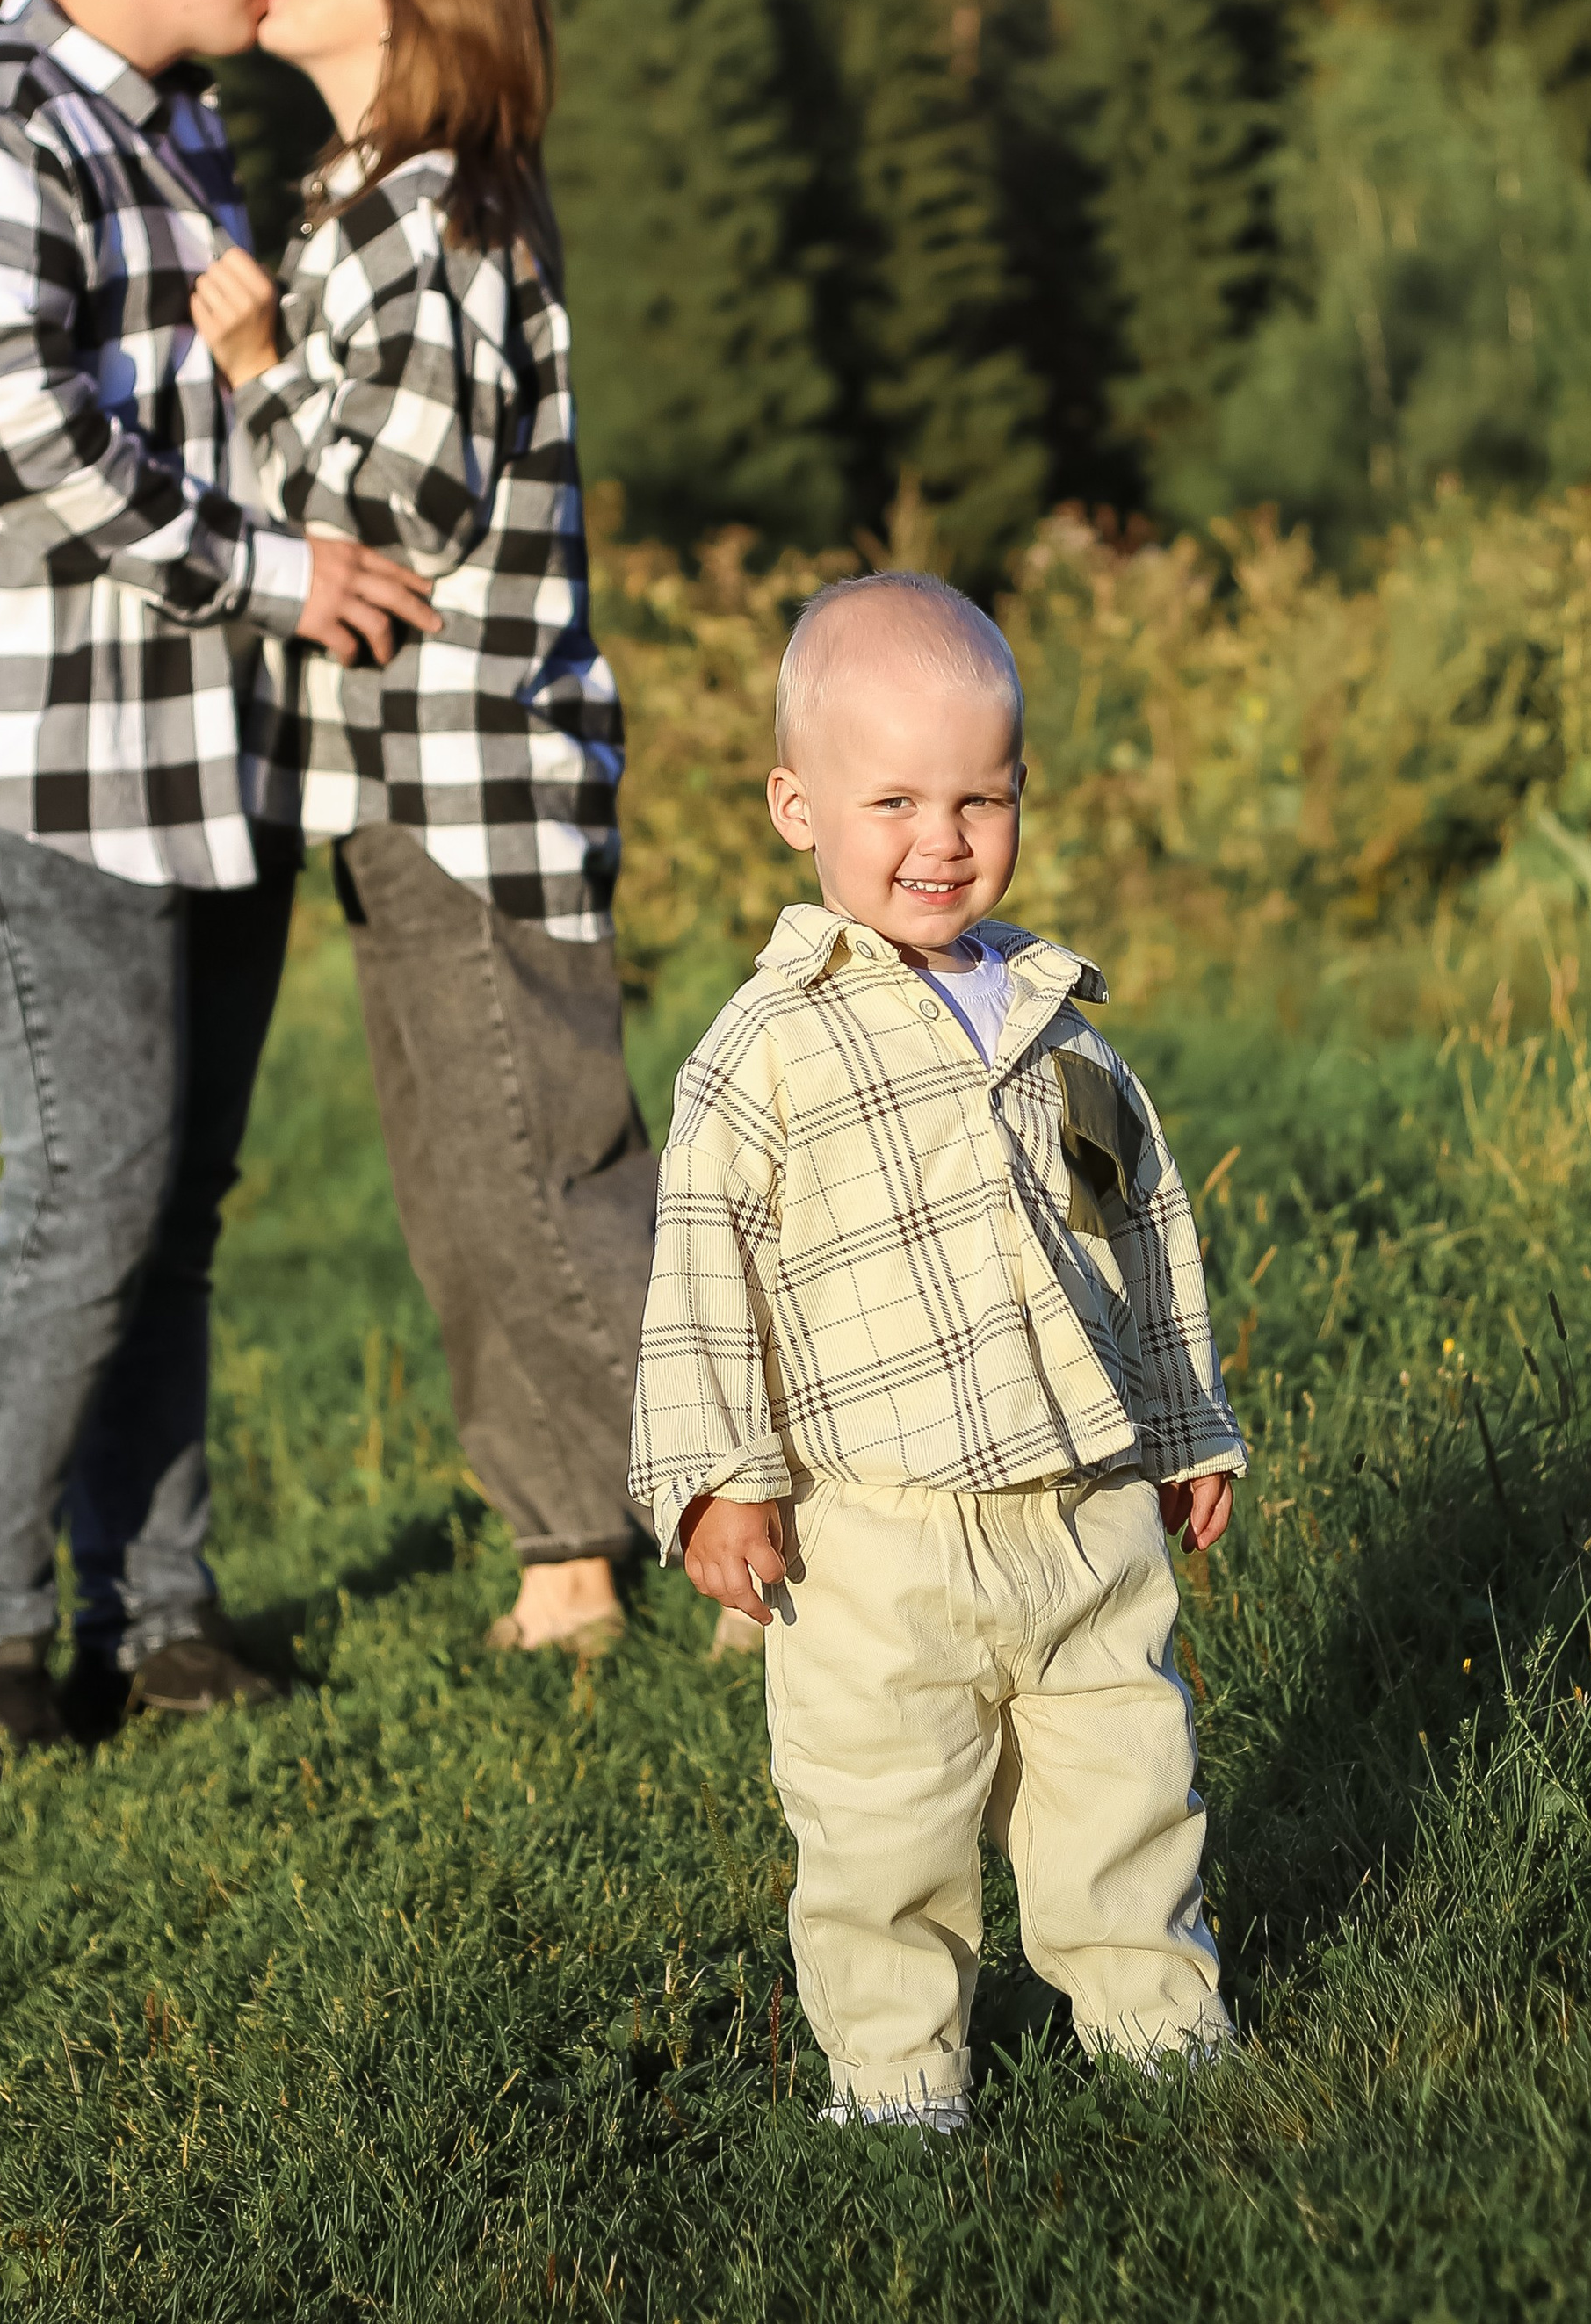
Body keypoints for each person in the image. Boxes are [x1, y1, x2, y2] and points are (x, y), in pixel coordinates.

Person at [0, 0, 439, 1779]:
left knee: (166, 1204)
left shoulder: (168, 134)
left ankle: (153, 1619)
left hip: (192, 755)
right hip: (27, 761)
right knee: (86, 1186)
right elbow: (22, 440)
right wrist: (283, 570)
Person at [627, 572, 1246, 2131]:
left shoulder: (1060, 1027)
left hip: (1084, 1510)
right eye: (892, 797)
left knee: (1124, 1775)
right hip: (877, 1536)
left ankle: (1155, 2021)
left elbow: (1142, 1227)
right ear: (796, 805)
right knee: (883, 1820)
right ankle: (899, 2077)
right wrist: (716, 1481)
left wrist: (1182, 1424)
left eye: (981, 795)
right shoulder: (765, 1049)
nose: (941, 837)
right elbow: (702, 1279)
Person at [186, 0, 654, 1657]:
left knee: (535, 1170)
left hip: (468, 768)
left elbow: (397, 489)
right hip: (409, 775)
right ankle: (570, 1543)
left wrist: (248, 372)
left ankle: (757, 1511)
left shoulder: (431, 201)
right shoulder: (370, 202)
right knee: (476, 1172)